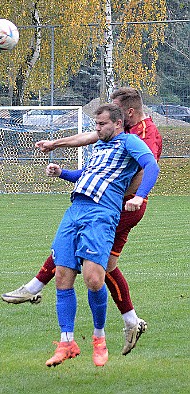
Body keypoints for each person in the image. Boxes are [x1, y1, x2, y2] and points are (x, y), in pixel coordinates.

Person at [2, 87, 162, 356]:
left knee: (90, 266)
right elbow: (89, 138)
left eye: (111, 115)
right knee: (106, 265)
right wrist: (55, 146)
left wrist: (124, 194)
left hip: (120, 205)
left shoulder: (143, 135)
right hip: (97, 201)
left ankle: (37, 286)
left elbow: (147, 167)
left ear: (126, 115)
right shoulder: (108, 136)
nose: (99, 126)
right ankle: (130, 321)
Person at [40, 103, 159, 367]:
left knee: (94, 279)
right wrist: (62, 173)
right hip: (76, 208)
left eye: (102, 124)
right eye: (95, 125)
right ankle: (67, 342)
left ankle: (99, 338)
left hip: (102, 213)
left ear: (118, 123)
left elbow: (151, 166)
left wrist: (139, 196)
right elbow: (87, 175)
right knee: (62, 275)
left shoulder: (129, 142)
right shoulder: (99, 148)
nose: (97, 129)